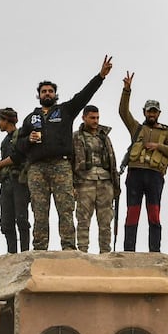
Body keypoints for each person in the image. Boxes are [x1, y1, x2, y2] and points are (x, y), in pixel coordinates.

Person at [16, 55, 113, 250]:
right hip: (37, 168)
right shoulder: (30, 118)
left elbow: (83, 96)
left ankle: (68, 248)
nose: (47, 93)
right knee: (40, 211)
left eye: (51, 91)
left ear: (55, 94)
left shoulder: (65, 111)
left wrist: (100, 76)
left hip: (61, 165)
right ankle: (40, 249)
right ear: (39, 95)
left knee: (66, 209)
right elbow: (18, 146)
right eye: (44, 91)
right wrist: (28, 140)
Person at [118, 71, 168, 252]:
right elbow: (123, 112)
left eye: (154, 111)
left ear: (159, 113)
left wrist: (159, 147)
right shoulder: (137, 128)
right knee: (132, 214)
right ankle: (129, 251)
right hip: (135, 174)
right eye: (149, 111)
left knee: (154, 214)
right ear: (144, 112)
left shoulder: (165, 133)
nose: (151, 114)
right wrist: (126, 90)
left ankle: (155, 251)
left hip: (154, 176)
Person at [72, 105, 119, 253]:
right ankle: (82, 253)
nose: (95, 121)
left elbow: (113, 160)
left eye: (97, 117)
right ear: (84, 117)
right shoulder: (76, 137)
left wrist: (115, 184)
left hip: (105, 182)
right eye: (92, 117)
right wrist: (72, 185)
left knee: (105, 221)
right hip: (84, 182)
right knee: (83, 220)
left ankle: (105, 253)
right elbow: (70, 162)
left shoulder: (104, 136)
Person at [0, 107, 31, 253]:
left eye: (0, 120)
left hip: (20, 182)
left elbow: (18, 156)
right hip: (6, 183)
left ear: (6, 120)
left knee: (21, 218)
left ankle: (25, 252)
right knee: (6, 222)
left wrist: (0, 164)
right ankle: (12, 253)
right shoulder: (5, 141)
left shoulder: (20, 136)